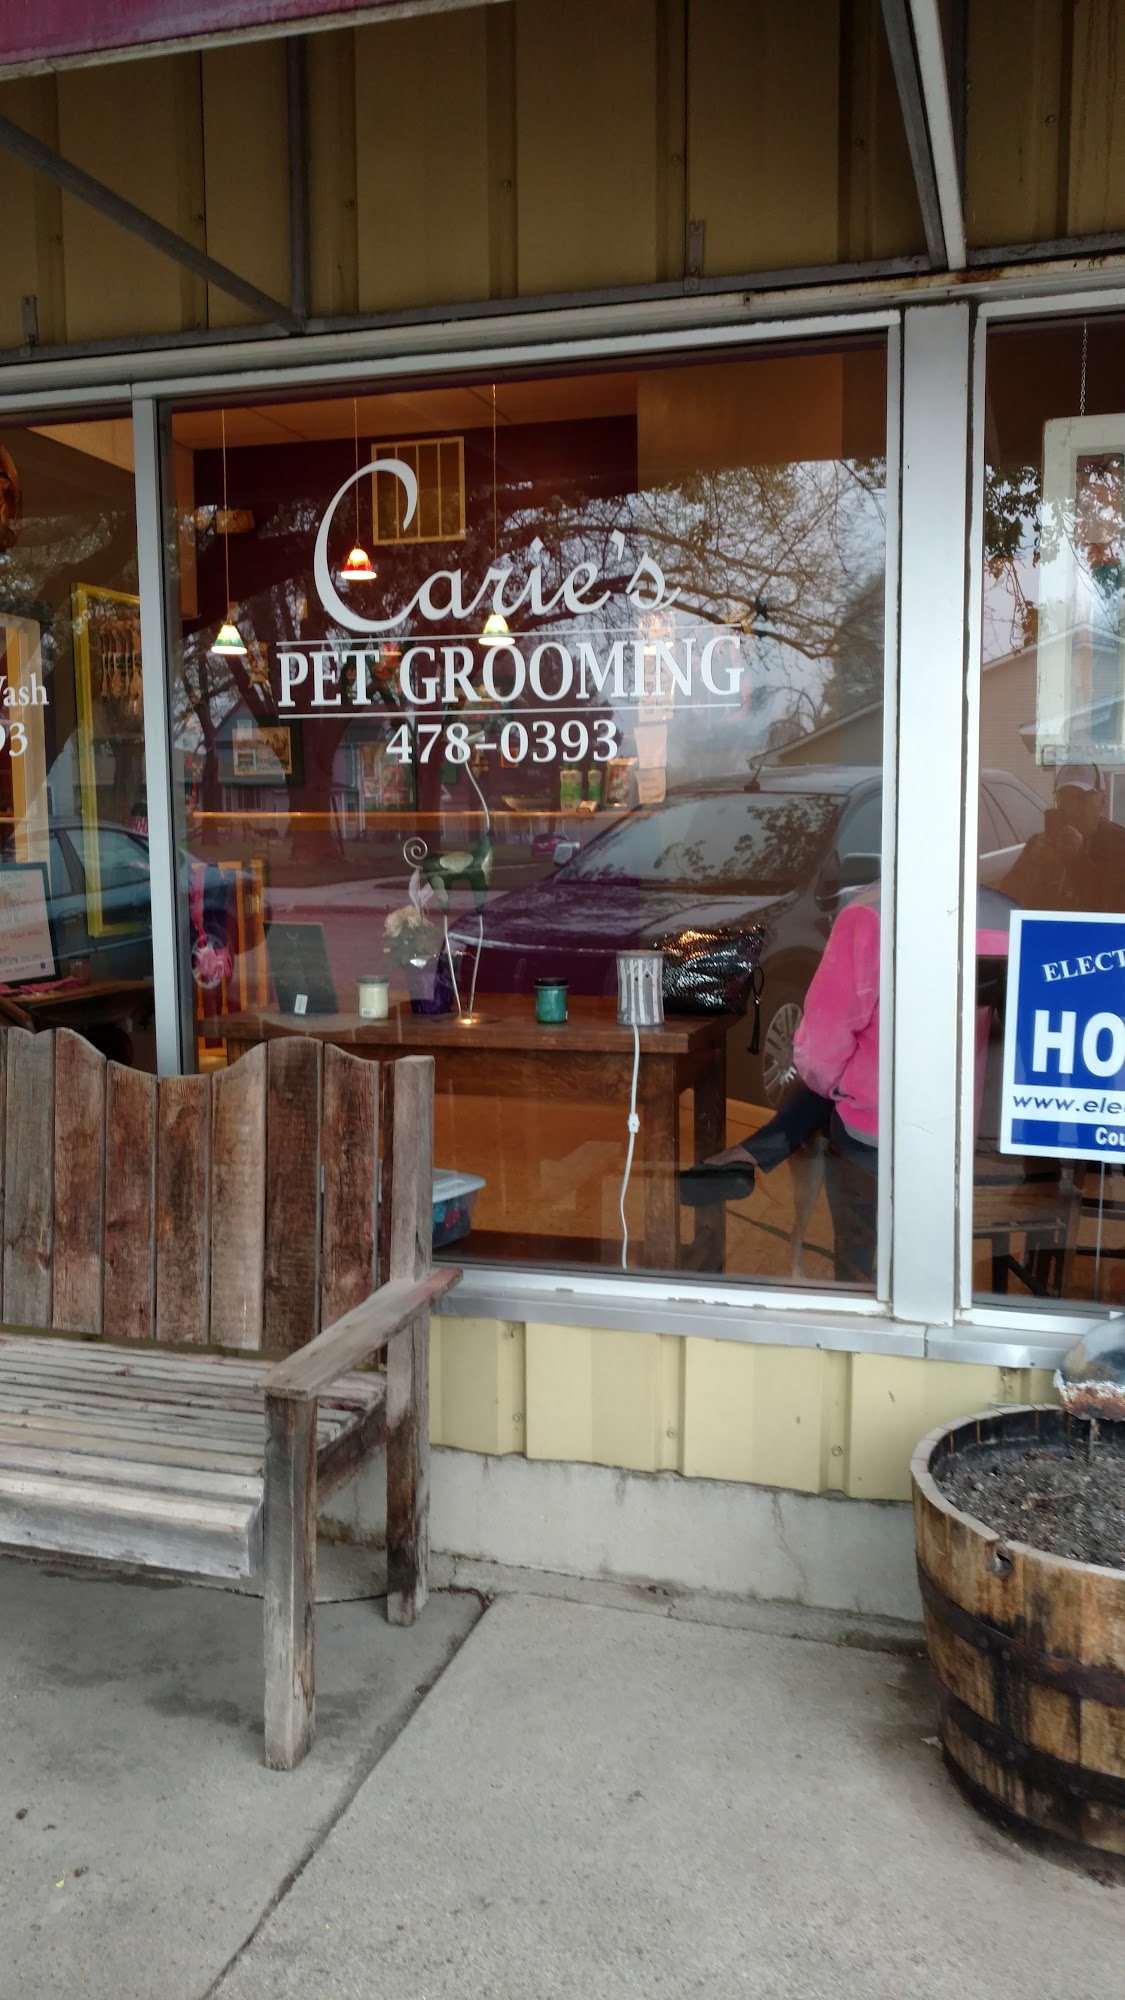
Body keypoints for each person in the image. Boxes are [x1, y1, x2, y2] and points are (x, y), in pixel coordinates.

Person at [1001, 764, 1125, 913]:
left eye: (1081, 798)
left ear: (1102, 802)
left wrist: (1078, 861)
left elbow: (1113, 907)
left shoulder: (1119, 845)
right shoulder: (1039, 844)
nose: (1072, 808)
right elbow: (1004, 901)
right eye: (1065, 798)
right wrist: (1031, 865)